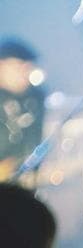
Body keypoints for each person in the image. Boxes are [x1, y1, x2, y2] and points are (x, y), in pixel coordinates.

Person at [0, 38, 45, 183]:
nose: (25, 73)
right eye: (19, 67)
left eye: (29, 67)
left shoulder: (35, 99)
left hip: (21, 185)